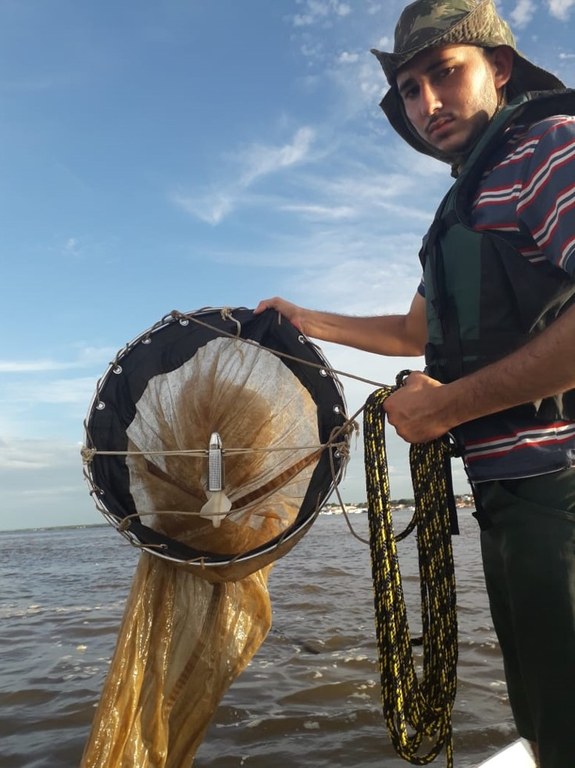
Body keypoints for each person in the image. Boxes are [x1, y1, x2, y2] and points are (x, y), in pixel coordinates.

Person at [255, 1, 575, 766]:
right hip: (507, 502)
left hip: (560, 495)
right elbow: (411, 332)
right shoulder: (464, 203)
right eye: (408, 89)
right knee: (544, 715)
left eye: (445, 73)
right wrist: (304, 319)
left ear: (497, 68)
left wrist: (446, 407)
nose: (427, 102)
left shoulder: (550, 150)